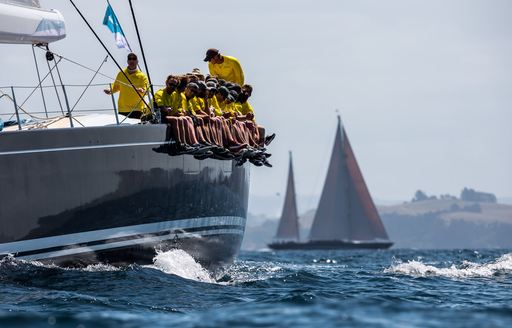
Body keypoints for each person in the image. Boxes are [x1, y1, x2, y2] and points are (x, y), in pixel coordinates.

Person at [104, 53, 148, 119]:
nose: (131, 61)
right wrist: (110, 90)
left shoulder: (142, 76)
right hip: (123, 108)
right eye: (129, 59)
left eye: (134, 59)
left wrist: (142, 90)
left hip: (137, 109)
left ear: (137, 61)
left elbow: (147, 90)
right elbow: (116, 87)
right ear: (127, 61)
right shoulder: (121, 73)